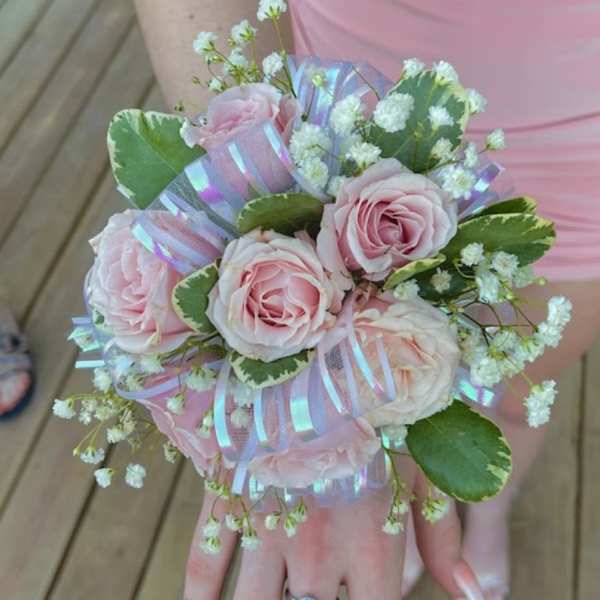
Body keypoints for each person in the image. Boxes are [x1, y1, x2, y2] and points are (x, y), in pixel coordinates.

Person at [134, 1, 600, 598]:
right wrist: (307, 409)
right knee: (422, 393)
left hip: (582, 163)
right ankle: (412, 506)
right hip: (354, 112)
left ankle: (492, 501)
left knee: (513, 395)